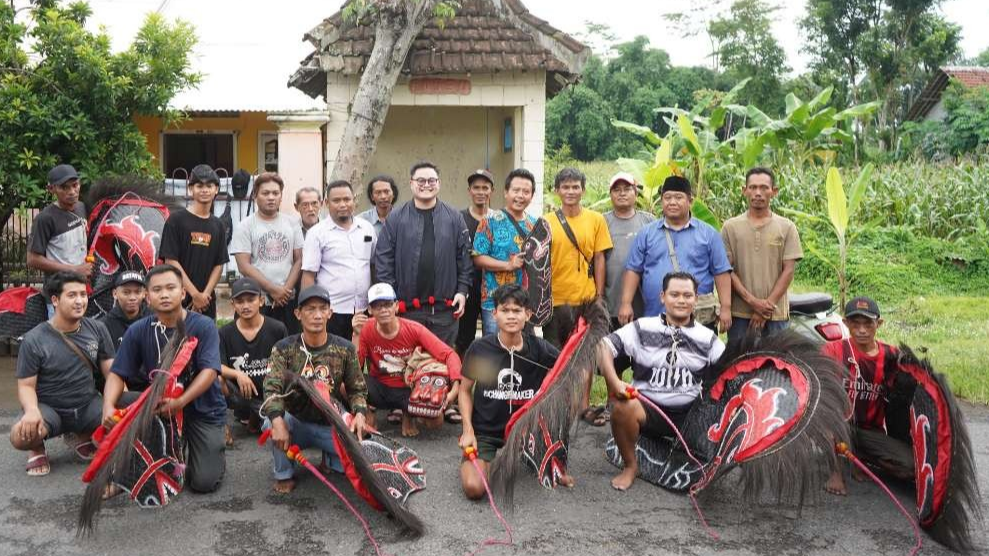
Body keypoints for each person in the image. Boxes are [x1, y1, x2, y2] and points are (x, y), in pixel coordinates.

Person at [104, 264, 227, 493]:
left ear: (182, 293)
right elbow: (117, 373)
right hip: (161, 408)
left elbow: (210, 372)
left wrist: (181, 402)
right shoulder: (138, 330)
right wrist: (108, 407)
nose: (164, 294)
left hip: (202, 410)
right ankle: (126, 471)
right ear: (148, 298)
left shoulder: (203, 325)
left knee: (203, 483)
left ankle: (209, 450)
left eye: (170, 288)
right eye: (157, 289)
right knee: (121, 401)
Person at [599, 271, 725, 491]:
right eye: (674, 294)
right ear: (662, 297)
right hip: (649, 411)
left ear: (696, 298)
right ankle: (631, 466)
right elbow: (603, 346)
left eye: (687, 295)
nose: (681, 300)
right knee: (621, 406)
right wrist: (614, 382)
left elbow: (729, 372)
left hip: (690, 416)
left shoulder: (708, 339)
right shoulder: (642, 327)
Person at [458, 284, 568, 499]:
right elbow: (464, 392)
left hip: (527, 431)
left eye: (517, 311)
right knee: (474, 488)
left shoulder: (541, 349)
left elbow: (569, 370)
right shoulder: (480, 350)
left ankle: (536, 454)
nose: (511, 316)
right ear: (494, 313)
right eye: (505, 310)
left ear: (527, 314)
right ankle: (480, 460)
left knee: (556, 478)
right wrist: (468, 430)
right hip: (486, 432)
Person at [262, 285, 369, 494]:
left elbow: (358, 389)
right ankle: (284, 472)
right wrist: (277, 421)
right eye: (310, 309)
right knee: (270, 423)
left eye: (322, 308)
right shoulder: (283, 348)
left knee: (357, 462)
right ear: (298, 313)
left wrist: (360, 415)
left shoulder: (345, 348)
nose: (317, 315)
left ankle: (330, 457)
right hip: (296, 421)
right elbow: (271, 388)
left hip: (331, 423)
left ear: (330, 313)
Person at [10, 271, 114, 476]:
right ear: (55, 300)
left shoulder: (98, 329)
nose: (79, 301)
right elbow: (26, 386)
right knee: (19, 436)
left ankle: (83, 436)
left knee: (128, 421)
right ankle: (37, 447)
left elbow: (112, 374)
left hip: (87, 406)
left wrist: (113, 406)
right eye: (72, 295)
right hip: (51, 410)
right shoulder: (34, 339)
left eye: (83, 295)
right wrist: (31, 411)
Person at [373, 161, 472, 347]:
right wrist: (391, 297)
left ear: (439, 183)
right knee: (408, 365)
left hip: (445, 310)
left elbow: (465, 258)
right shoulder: (396, 217)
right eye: (421, 180)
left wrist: (462, 290)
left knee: (440, 365)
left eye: (431, 180)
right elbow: (384, 259)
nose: (426, 184)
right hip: (407, 309)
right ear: (411, 183)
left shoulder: (454, 217)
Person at [822, 297, 913, 496]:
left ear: (878, 324)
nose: (862, 330)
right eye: (855, 324)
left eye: (868, 324)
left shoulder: (892, 356)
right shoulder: (833, 350)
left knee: (909, 467)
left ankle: (860, 455)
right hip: (839, 424)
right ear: (845, 324)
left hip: (869, 431)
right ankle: (835, 471)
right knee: (826, 416)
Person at [619, 175, 732, 333]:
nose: (672, 202)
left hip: (697, 318)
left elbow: (721, 272)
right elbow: (633, 269)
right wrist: (626, 303)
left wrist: (725, 308)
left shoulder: (708, 234)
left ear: (690, 201)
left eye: (678, 197)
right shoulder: (646, 234)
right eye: (667, 197)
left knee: (697, 357)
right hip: (655, 317)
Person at [545, 167, 612, 426]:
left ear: (583, 190)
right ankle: (558, 404)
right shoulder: (547, 222)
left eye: (575, 187)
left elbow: (599, 257)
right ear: (557, 190)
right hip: (554, 299)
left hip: (585, 299)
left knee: (583, 355)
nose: (571, 191)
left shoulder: (596, 220)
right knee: (556, 355)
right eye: (565, 187)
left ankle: (583, 406)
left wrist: (598, 295)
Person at [353, 283, 462, 437]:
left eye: (387, 305)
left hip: (407, 388)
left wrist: (455, 388)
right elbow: (354, 369)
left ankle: (408, 414)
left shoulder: (413, 329)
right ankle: (367, 411)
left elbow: (449, 354)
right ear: (370, 310)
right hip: (379, 387)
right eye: (377, 306)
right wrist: (356, 335)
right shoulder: (366, 329)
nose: (383, 310)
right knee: (346, 385)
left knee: (435, 422)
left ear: (396, 306)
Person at [721, 167, 802, 346]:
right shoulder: (730, 227)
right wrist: (753, 302)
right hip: (740, 314)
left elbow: (788, 271)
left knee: (778, 365)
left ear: (774, 191)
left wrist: (766, 306)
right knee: (739, 365)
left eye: (764, 188)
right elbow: (726, 270)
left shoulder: (787, 227)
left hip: (776, 314)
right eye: (753, 187)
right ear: (744, 190)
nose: (758, 193)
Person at [301, 179, 376, 341]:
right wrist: (310, 310)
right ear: (327, 203)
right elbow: (308, 276)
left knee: (360, 359)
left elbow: (373, 265)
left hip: (363, 309)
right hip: (332, 311)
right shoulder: (317, 233)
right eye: (336, 200)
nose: (343, 204)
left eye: (347, 199)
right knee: (332, 360)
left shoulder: (366, 228)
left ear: (353, 200)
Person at [231, 172, 304, 334]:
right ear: (256, 195)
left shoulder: (292, 223)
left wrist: (285, 290)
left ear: (281, 196)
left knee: (289, 346)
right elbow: (244, 266)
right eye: (265, 193)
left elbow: (299, 260)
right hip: (257, 299)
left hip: (287, 299)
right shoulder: (245, 226)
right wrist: (272, 289)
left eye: (275, 193)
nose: (271, 197)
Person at [472, 168, 539, 336]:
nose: (520, 195)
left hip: (524, 303)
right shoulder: (489, 221)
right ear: (506, 192)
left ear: (531, 195)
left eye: (526, 191)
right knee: (494, 352)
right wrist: (508, 265)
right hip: (495, 302)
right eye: (516, 190)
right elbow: (478, 258)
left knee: (523, 352)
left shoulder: (535, 224)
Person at [218, 277, 288, 439]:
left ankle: (256, 418)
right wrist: (238, 374)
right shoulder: (224, 333)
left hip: (271, 394)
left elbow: (287, 366)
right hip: (239, 394)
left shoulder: (277, 328)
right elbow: (216, 366)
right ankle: (221, 427)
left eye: (251, 300)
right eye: (240, 301)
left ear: (261, 301)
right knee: (215, 380)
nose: (246, 306)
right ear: (232, 305)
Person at [159, 164, 229, 319]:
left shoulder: (218, 225)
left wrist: (204, 295)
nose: (204, 190)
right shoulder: (176, 220)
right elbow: (171, 261)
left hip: (206, 302)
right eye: (199, 186)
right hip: (178, 298)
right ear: (191, 189)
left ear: (216, 189)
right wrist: (195, 294)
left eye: (209, 186)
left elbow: (219, 264)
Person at [27, 164, 92, 318]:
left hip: (81, 291)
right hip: (58, 295)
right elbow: (32, 259)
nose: (72, 191)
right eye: (64, 187)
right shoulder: (45, 218)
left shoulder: (82, 208)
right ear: (52, 189)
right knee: (61, 340)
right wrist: (74, 269)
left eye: (75, 185)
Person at [603, 172, 656, 331]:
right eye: (617, 190)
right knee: (615, 353)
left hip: (644, 303)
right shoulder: (602, 221)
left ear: (636, 192)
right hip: (611, 302)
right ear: (610, 194)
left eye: (627, 189)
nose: (622, 193)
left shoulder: (649, 221)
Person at [456, 169, 493, 355]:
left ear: (491, 191)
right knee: (464, 339)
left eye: (485, 187)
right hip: (468, 287)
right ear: (469, 191)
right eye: (476, 187)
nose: (480, 192)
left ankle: (488, 382)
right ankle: (461, 380)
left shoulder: (498, 219)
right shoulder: (459, 218)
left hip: (493, 287)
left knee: (492, 339)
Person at [97, 270, 151, 350]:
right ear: (115, 294)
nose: (132, 297)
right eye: (126, 293)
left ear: (144, 294)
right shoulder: (103, 326)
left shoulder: (154, 319)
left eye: (137, 292)